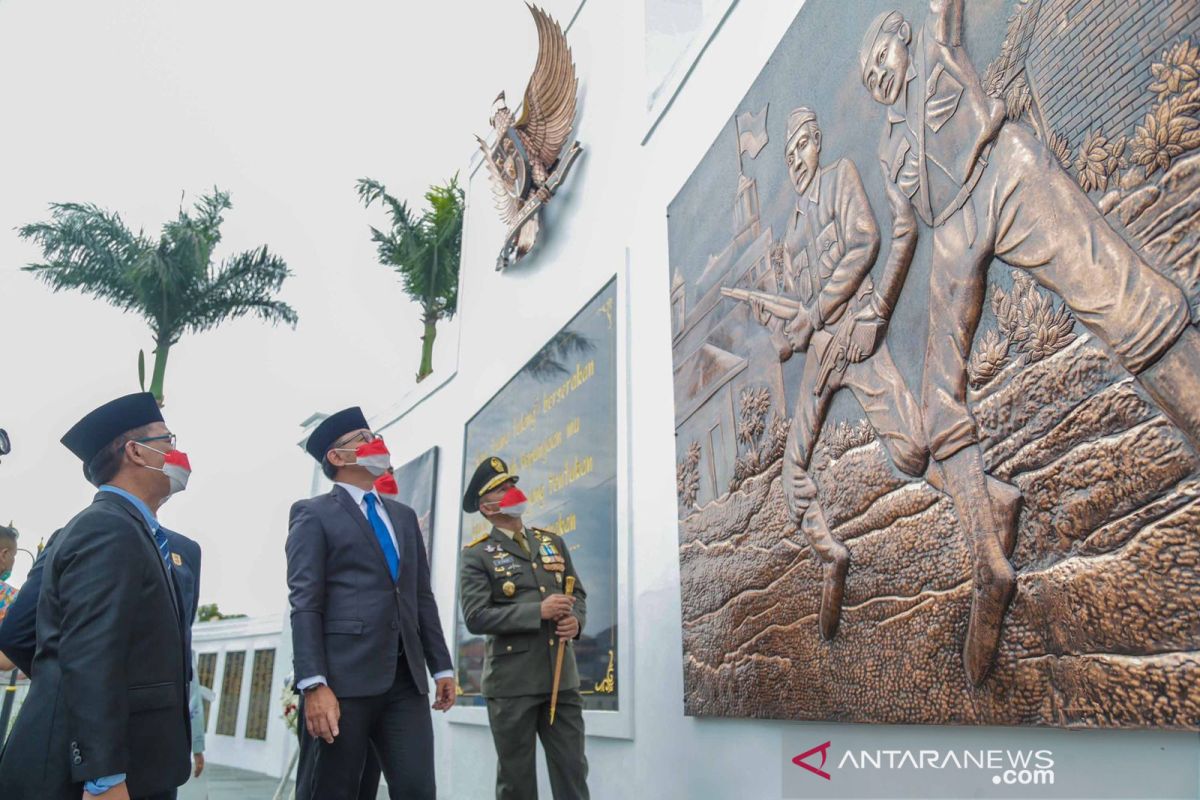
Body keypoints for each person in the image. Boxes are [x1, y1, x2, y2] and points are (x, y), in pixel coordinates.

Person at [859, 0, 1200, 684]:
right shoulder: (888, 147)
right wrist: (873, 309)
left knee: (1111, 290)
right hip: (954, 232)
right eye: (867, 75)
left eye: (881, 60)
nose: (878, 76)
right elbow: (903, 234)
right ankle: (989, 561)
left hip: (1007, 174)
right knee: (936, 401)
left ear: (903, 41)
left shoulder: (939, 48)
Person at [745, 106, 1019, 641]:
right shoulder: (796, 225)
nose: (796, 158)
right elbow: (796, 324)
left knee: (911, 452)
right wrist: (780, 330)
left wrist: (817, 313)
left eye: (801, 145)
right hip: (822, 352)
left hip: (855, 336)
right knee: (792, 468)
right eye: (789, 152)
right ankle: (832, 557)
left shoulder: (839, 178)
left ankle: (994, 499)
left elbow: (865, 241)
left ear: (817, 142)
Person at [0, 392, 193, 799]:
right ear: (136, 453)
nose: (178, 455)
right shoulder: (108, 529)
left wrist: (59, 680)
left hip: (137, 764)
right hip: (94, 778)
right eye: (168, 442)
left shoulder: (133, 531)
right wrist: (103, 775)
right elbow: (91, 653)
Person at [287, 407, 454, 800]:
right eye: (362, 437)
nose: (375, 442)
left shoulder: (404, 516)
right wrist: (314, 684)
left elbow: (420, 597)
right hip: (343, 682)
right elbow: (305, 602)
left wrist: (441, 665)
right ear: (337, 457)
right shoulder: (313, 514)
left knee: (416, 788)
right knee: (335, 790)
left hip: (404, 680)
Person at [0, 520, 205, 792]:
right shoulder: (183, 551)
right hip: (151, 757)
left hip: (55, 749)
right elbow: (178, 659)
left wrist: (60, 682)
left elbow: (16, 635)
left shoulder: (75, 534)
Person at [459, 456, 589, 800]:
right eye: (501, 489)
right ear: (487, 508)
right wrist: (538, 612)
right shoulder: (477, 555)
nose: (511, 490)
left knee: (573, 774)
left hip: (562, 679)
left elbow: (576, 591)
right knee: (517, 783)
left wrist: (576, 622)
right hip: (512, 684)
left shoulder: (552, 542)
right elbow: (476, 617)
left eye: (511, 484)